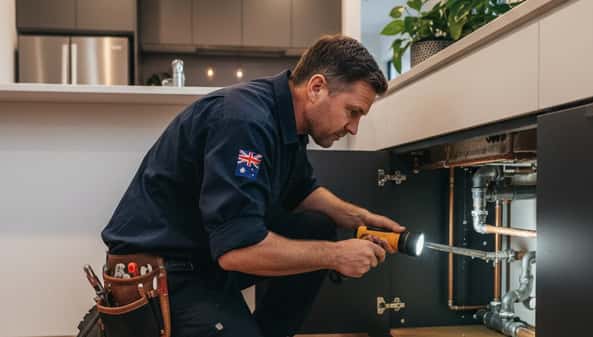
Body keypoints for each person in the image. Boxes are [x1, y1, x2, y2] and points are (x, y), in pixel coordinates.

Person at [101, 34, 405, 337]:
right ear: (316, 88)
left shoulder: (287, 121)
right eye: (352, 111)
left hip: (203, 259)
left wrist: (359, 217)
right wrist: (337, 255)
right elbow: (238, 250)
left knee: (316, 226)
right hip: (161, 273)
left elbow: (301, 191)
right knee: (302, 244)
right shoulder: (245, 121)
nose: (353, 127)